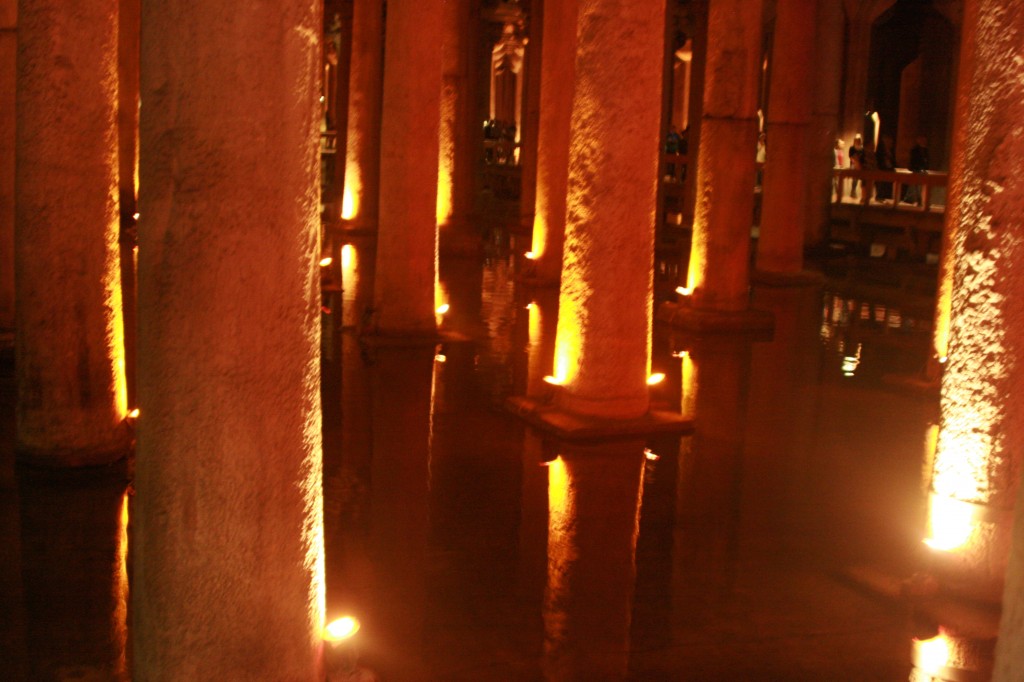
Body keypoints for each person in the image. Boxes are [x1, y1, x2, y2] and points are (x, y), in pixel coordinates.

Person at [904, 135, 930, 205]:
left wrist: (925, 168)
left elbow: (926, 160)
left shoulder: (925, 150)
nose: (923, 141)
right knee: (914, 186)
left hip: (922, 170)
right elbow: (913, 160)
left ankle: (918, 199)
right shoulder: (914, 150)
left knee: (919, 186)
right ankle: (913, 199)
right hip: (916, 169)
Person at [875, 135, 895, 201]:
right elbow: (879, 159)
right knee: (881, 184)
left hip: (889, 169)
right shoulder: (881, 149)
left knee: (886, 184)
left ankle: (885, 197)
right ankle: (879, 197)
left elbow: (892, 160)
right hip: (882, 169)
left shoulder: (890, 150)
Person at [848, 134, 864, 199]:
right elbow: (850, 156)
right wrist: (855, 161)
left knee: (858, 178)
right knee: (854, 178)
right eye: (856, 140)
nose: (858, 141)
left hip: (860, 165)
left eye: (859, 140)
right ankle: (853, 191)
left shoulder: (862, 149)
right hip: (853, 164)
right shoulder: (852, 148)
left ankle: (859, 193)